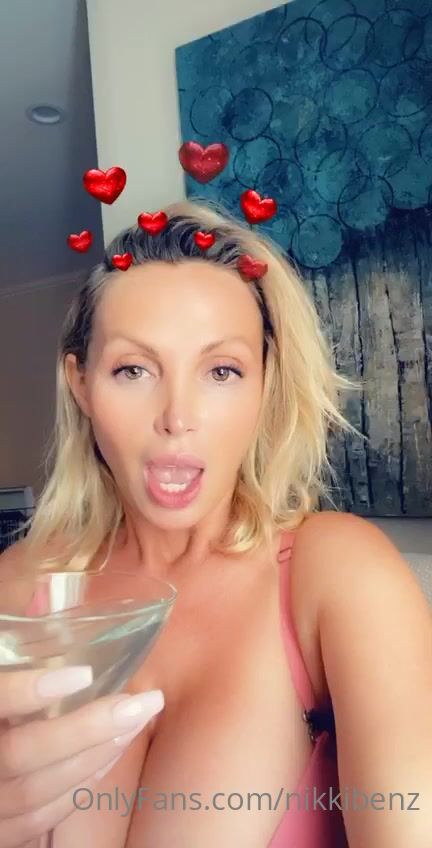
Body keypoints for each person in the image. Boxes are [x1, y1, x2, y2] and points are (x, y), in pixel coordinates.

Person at [0, 198, 431, 848]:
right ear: (81, 383)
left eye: (222, 370)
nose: (178, 417)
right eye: (134, 369)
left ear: (266, 384)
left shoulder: (337, 574)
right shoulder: (20, 587)